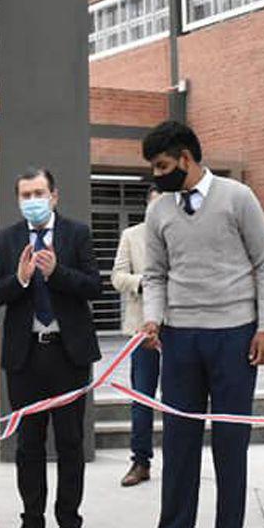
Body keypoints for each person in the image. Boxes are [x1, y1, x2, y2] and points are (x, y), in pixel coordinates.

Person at [137, 121, 264, 528]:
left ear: (186, 158)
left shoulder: (238, 197)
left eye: (162, 166)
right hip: (179, 338)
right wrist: (153, 317)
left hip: (234, 336)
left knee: (231, 446)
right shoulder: (158, 210)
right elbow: (154, 274)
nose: (157, 175)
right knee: (179, 445)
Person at [0, 168, 102, 528]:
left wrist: (56, 273)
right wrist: (20, 279)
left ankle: (69, 522)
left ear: (54, 196)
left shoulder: (77, 233)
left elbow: (94, 286)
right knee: (28, 444)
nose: (32, 201)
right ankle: (32, 521)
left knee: (70, 443)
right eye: (26, 195)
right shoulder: (7, 239)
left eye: (39, 193)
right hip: (25, 357)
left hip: (68, 356)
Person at [110, 186, 165, 488]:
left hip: (179, 326)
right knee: (142, 396)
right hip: (142, 329)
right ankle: (140, 461)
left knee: (180, 397)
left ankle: (180, 460)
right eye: (155, 203)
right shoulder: (131, 235)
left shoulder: (185, 233)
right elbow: (117, 277)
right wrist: (145, 282)